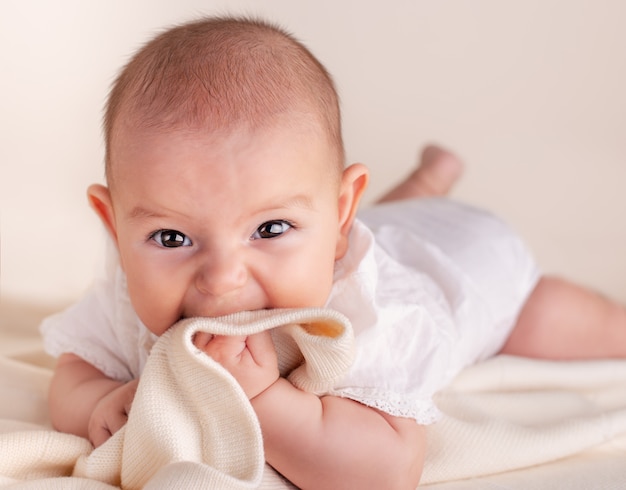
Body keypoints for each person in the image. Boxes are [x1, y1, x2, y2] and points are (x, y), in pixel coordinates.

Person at [40, 16, 626, 490]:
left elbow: (387, 469)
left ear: (340, 215)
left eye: (269, 229)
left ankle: (427, 193)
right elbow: (73, 373)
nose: (221, 280)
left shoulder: (368, 314)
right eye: (172, 238)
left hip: (477, 266)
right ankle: (423, 183)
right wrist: (100, 402)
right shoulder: (127, 289)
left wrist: (266, 399)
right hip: (375, 226)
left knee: (584, 325)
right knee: (360, 223)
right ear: (114, 225)